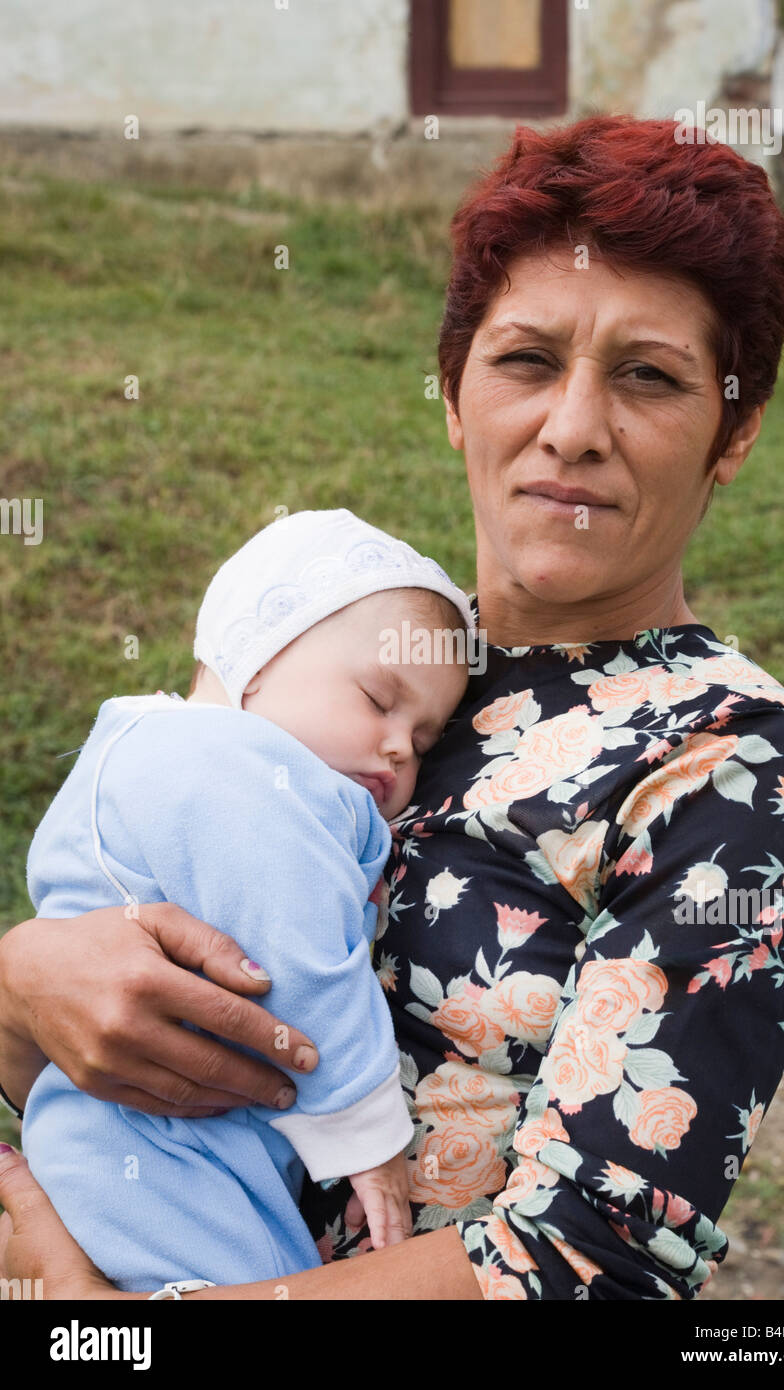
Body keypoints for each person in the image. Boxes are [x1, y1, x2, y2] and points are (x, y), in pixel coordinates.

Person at [0, 114, 784, 1301]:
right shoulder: (359, 662)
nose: (570, 428)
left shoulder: (731, 762)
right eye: (523, 360)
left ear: (735, 432)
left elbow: (588, 1263)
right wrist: (21, 984)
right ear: (453, 393)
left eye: (647, 376)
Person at [18, 508, 472, 1292]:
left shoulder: (184, 753)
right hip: (156, 1153)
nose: (400, 746)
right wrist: (368, 1139)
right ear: (256, 661)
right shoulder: (230, 765)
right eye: (376, 698)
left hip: (166, 1141)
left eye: (424, 740)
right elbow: (296, 954)